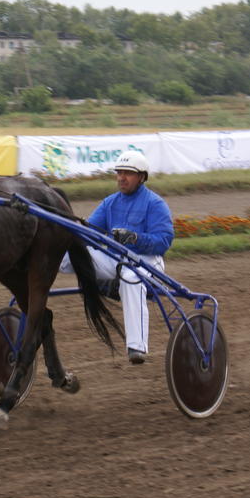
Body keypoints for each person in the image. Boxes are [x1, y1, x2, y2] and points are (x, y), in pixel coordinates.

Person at [60, 150, 174, 364]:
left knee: (130, 276)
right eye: (119, 172)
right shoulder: (110, 203)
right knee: (69, 255)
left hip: (148, 261)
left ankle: (137, 346)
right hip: (116, 261)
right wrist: (72, 230)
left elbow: (164, 241)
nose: (121, 177)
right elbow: (89, 234)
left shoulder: (155, 203)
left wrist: (135, 238)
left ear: (141, 177)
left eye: (127, 173)